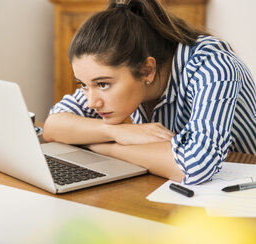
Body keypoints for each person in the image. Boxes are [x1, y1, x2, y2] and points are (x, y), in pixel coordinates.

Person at [43, 0, 256, 185]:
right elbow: (53, 125)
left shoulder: (214, 67)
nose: (92, 102)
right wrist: (117, 132)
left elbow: (194, 166)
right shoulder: (116, 71)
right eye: (83, 85)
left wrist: (102, 146)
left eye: (103, 85)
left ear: (147, 70)